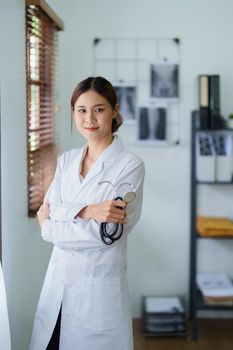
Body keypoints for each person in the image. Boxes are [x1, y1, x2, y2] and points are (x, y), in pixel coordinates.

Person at [29, 76, 145, 350]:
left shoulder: (130, 166)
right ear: (73, 113)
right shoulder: (67, 160)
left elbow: (105, 235)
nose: (89, 118)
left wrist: (50, 227)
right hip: (57, 288)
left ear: (115, 110)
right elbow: (50, 209)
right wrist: (90, 210)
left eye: (99, 109)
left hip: (96, 298)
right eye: (81, 110)